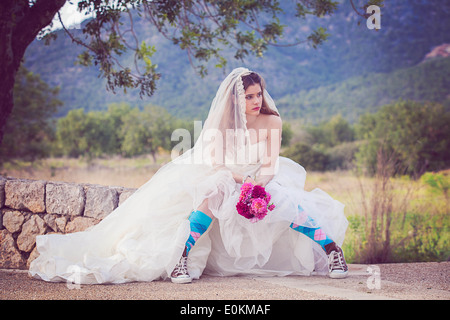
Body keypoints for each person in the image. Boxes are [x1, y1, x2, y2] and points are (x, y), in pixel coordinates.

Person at [29, 68, 348, 285]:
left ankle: (332, 250)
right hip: (228, 175)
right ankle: (180, 257)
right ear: (235, 98)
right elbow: (219, 165)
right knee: (215, 191)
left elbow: (270, 164)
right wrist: (242, 183)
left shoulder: (271, 122)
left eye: (258, 95)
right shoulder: (222, 125)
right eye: (248, 96)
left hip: (258, 178)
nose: (255, 102)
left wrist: (258, 188)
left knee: (282, 198)